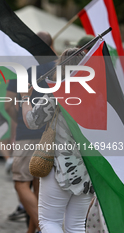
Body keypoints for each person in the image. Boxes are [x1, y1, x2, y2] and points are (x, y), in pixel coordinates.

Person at [20, 48, 94, 233]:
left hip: (59, 166)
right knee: (76, 225)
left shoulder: (58, 92)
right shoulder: (97, 96)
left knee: (48, 222)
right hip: (88, 169)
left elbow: (32, 121)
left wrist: (25, 99)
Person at [5, 31, 56, 233]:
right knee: (39, 189)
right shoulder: (57, 68)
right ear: (51, 46)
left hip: (27, 134)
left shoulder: (21, 69)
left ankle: (44, 228)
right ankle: (31, 230)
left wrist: (20, 119)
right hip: (50, 135)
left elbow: (8, 104)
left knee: (20, 183)